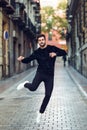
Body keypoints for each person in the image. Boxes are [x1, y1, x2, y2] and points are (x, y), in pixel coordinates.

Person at [17, 34, 67, 123]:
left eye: (42, 40)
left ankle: (40, 112)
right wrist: (22, 59)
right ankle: (25, 84)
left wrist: (56, 53)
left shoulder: (52, 48)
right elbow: (28, 59)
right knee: (32, 88)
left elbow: (64, 52)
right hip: (40, 74)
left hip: (50, 76)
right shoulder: (37, 52)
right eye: (39, 40)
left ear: (45, 40)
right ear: (38, 42)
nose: (41, 41)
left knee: (48, 95)